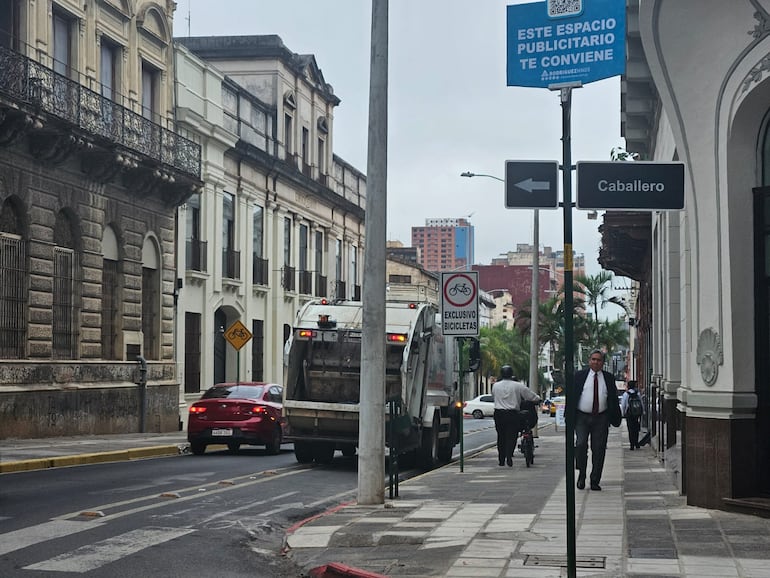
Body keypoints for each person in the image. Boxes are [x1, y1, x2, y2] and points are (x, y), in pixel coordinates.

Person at [572, 349, 622, 491]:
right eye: (593, 359)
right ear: (589, 361)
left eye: (598, 360)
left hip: (601, 417)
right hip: (582, 416)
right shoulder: (580, 376)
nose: (595, 362)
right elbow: (573, 396)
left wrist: (614, 416)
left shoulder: (608, 378)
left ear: (603, 362)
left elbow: (612, 398)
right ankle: (582, 474)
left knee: (599, 449)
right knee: (580, 444)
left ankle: (595, 479)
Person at [492, 365, 541, 467]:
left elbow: (494, 397)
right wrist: (537, 399)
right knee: (511, 436)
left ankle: (501, 459)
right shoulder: (518, 386)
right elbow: (530, 396)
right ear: (511, 373)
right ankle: (509, 456)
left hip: (498, 413)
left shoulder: (495, 386)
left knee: (501, 436)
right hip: (512, 414)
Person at [620, 380, 643, 450]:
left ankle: (632, 444)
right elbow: (641, 403)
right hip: (636, 414)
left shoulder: (626, 394)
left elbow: (623, 405)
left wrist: (623, 413)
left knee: (630, 429)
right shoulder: (637, 394)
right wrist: (642, 411)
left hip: (629, 414)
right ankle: (636, 443)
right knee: (636, 428)